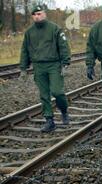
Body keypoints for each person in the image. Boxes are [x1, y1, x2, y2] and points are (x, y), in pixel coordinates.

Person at [19, 3, 71, 133]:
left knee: (57, 91)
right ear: (32, 17)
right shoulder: (29, 33)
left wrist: (65, 63)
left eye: (39, 14)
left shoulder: (55, 29)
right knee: (44, 95)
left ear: (44, 14)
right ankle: (49, 120)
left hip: (53, 65)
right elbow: (24, 50)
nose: (37, 16)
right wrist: (23, 69)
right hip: (38, 66)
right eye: (35, 15)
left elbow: (64, 46)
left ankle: (64, 111)